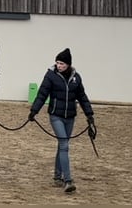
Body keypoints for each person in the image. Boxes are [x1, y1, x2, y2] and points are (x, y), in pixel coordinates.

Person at [28, 48, 94, 193]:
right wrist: (34, 110)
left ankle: (57, 176)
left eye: (62, 63)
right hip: (55, 116)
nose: (59, 65)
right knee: (64, 144)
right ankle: (68, 180)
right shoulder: (51, 75)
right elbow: (42, 93)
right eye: (57, 62)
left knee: (62, 144)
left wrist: (89, 114)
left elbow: (82, 97)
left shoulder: (76, 78)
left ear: (68, 65)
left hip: (70, 117)